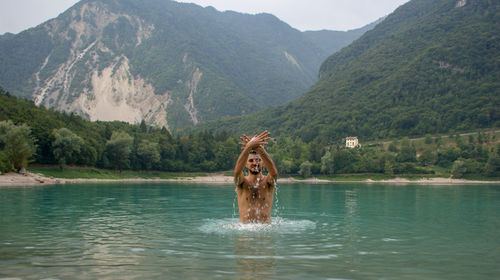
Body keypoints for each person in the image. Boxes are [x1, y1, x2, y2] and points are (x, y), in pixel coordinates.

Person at [234, 131, 278, 223]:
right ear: (245, 164)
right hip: (245, 230)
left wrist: (260, 149)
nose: (255, 163)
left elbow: (274, 173)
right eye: (251, 161)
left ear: (263, 163)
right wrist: (248, 148)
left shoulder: (268, 182)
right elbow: (237, 173)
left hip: (265, 230)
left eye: (258, 160)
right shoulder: (242, 182)